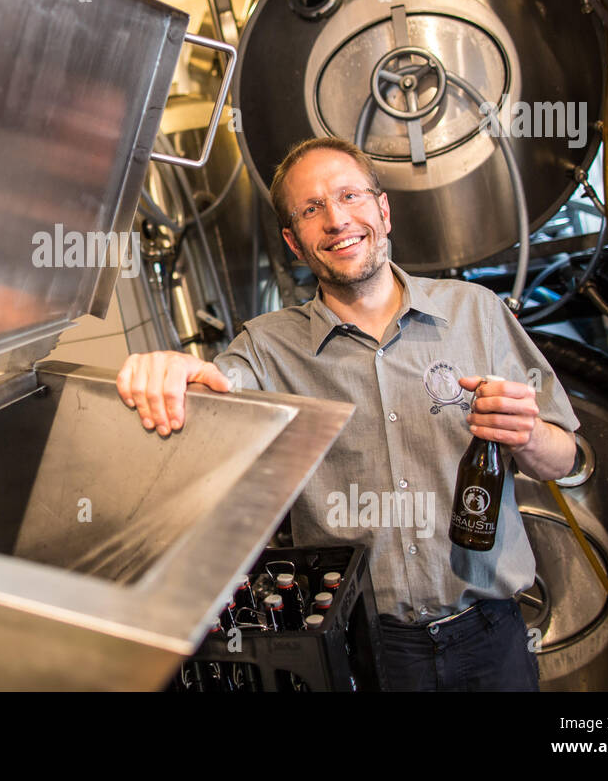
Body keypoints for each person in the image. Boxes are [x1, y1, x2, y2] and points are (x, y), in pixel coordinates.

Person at [115, 136, 579, 691]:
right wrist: (171, 372)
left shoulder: (474, 312)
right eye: (312, 209)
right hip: (365, 654)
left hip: (490, 637)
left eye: (350, 195)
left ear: (383, 211)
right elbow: (215, 390)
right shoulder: (266, 349)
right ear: (294, 241)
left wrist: (528, 436)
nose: (337, 219)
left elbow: (563, 459)